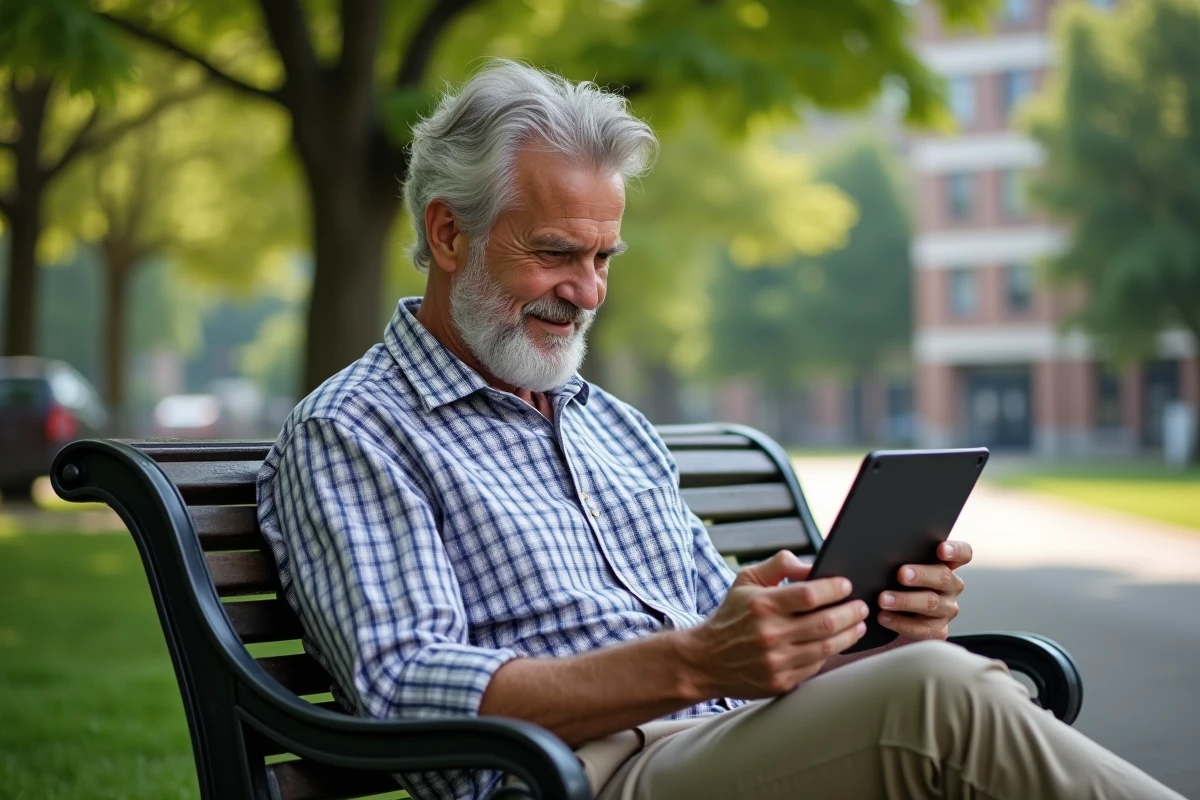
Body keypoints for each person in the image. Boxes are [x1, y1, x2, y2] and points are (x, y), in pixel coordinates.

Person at [257, 60, 1183, 800]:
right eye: (554, 254)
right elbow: (405, 687)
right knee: (944, 702)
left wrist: (861, 629)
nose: (587, 292)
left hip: (723, 745)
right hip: (577, 774)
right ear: (449, 236)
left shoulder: (609, 425)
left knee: (945, 677)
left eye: (602, 257)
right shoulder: (354, 431)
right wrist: (701, 660)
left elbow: (724, 647)